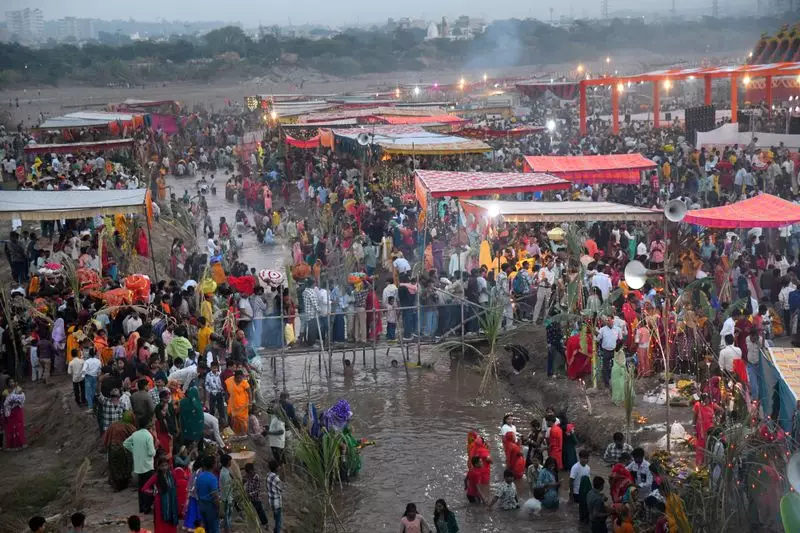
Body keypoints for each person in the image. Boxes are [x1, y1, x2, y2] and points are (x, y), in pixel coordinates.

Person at [140, 457, 180, 533]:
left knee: (171, 523)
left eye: (166, 465)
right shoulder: (156, 476)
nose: (164, 468)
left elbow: (176, 485)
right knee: (161, 524)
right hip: (160, 504)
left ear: (168, 465)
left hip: (172, 503)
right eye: (162, 466)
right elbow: (144, 488)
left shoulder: (172, 474)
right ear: (158, 467)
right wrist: (154, 492)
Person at [124, 423, 156, 514]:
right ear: (149, 427)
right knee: (148, 487)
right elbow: (152, 453)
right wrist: (154, 449)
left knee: (141, 487)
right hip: (148, 466)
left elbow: (126, 443)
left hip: (138, 466)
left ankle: (141, 507)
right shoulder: (148, 436)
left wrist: (134, 450)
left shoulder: (135, 434)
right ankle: (147, 507)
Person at [196, 455, 220, 533]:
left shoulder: (200, 476)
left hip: (201, 504)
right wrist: (219, 507)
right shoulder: (213, 478)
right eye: (216, 462)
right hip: (210, 506)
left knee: (206, 528)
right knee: (214, 528)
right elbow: (215, 496)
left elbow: (197, 490)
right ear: (213, 465)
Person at [2, 377, 26, 450]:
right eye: (10, 382)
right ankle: (12, 445)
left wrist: (16, 400)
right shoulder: (5, 392)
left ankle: (21, 444)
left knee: (19, 426)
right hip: (9, 412)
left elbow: (22, 397)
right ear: (7, 384)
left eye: (13, 382)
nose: (11, 383)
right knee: (10, 428)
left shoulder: (18, 389)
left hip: (17, 411)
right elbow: (4, 402)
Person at [225, 369, 251, 435]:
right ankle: (236, 434)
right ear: (235, 377)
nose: (239, 379)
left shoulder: (244, 383)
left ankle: (244, 433)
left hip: (243, 405)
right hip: (233, 404)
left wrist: (250, 402)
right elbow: (227, 391)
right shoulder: (230, 381)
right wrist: (227, 398)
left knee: (243, 420)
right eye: (238, 378)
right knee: (234, 419)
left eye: (241, 378)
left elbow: (249, 393)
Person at [244, 463, 269, 527]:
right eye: (247, 473)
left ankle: (265, 523)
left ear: (252, 470)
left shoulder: (256, 477)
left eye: (249, 472)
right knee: (253, 511)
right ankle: (256, 523)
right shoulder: (248, 476)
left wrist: (249, 494)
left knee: (260, 511)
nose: (248, 474)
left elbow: (258, 490)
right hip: (249, 498)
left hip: (255, 498)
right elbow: (247, 484)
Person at [266, 459, 283, 533]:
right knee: (278, 521)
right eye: (279, 466)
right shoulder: (276, 479)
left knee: (276, 518)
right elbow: (281, 489)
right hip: (277, 502)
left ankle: (275, 530)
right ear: (276, 468)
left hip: (271, 500)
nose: (279, 467)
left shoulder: (268, 475)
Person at [219, 454, 234, 533]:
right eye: (230, 461)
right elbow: (227, 487)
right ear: (227, 462)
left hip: (227, 497)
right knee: (227, 517)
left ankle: (227, 529)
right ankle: (227, 530)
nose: (231, 462)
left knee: (227, 516)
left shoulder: (226, 471)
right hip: (226, 498)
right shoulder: (224, 473)